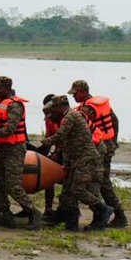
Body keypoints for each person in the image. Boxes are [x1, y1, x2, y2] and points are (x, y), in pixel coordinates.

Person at [0, 76, 42, 229]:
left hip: (15, 149)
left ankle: (33, 212)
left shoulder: (14, 106)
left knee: (13, 185)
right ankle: (6, 214)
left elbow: (9, 130)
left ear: (7, 88)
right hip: (3, 148)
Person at [43, 96, 112, 231]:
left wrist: (46, 142)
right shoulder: (68, 116)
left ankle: (103, 209)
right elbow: (67, 143)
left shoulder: (70, 116)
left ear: (59, 107)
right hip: (77, 159)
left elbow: (60, 135)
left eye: (54, 109)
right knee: (68, 191)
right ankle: (72, 222)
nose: (53, 114)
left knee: (78, 189)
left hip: (85, 159)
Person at [70, 80, 127, 229]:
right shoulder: (96, 105)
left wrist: (110, 143)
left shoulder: (89, 109)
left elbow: (81, 130)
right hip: (104, 146)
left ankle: (113, 216)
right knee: (101, 182)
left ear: (83, 91)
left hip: (100, 148)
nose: (73, 96)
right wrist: (113, 141)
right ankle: (113, 215)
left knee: (101, 182)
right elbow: (115, 121)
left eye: (75, 93)